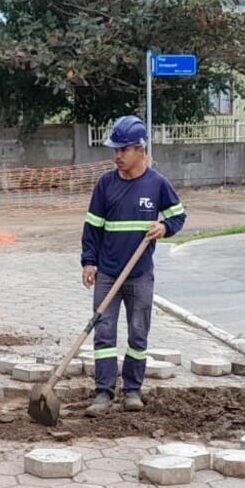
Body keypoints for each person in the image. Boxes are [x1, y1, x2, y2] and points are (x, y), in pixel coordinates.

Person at [81, 115, 186, 416]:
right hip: (108, 272)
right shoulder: (105, 184)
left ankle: (132, 391)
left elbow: (179, 216)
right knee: (104, 333)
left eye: (123, 149)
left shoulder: (157, 184)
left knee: (138, 334)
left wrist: (164, 228)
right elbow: (92, 227)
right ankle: (103, 393)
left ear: (140, 150)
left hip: (139, 274)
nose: (117, 155)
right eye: (114, 149)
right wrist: (89, 261)